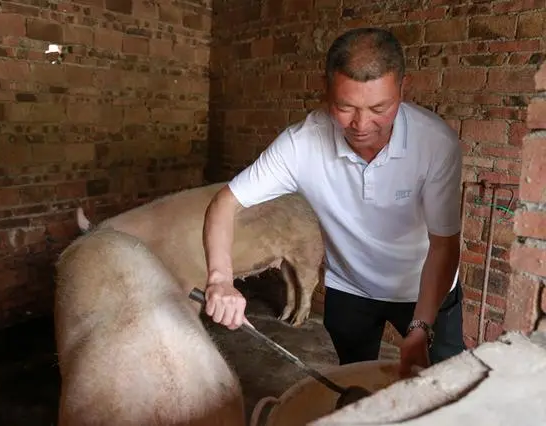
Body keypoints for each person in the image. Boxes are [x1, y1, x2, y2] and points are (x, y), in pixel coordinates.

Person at [200, 27, 466, 376]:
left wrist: (421, 328)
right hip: (351, 286)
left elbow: (444, 246)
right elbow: (225, 203)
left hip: (425, 285)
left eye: (379, 108)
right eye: (345, 107)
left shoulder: (435, 143)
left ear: (403, 88)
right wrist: (220, 278)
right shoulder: (301, 145)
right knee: (354, 379)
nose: (361, 125)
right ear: (324, 90)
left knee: (448, 381)